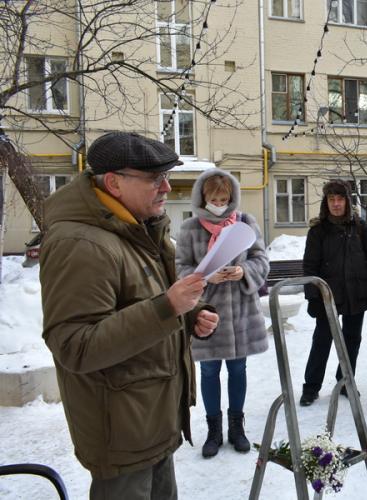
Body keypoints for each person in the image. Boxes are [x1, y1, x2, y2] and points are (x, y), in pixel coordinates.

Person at [40, 132, 219, 499]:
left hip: (151, 419)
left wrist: (189, 315)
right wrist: (168, 308)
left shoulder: (136, 229)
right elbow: (75, 346)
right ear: (113, 183)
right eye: (155, 179)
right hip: (122, 432)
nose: (167, 187)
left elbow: (140, 305)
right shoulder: (82, 244)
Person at [175, 168, 269, 458]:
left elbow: (261, 259)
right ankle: (214, 430)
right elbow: (180, 267)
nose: (219, 203)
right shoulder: (190, 228)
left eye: (224, 198)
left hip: (240, 311)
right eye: (214, 198)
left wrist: (244, 271)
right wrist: (205, 278)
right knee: (209, 369)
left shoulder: (245, 222)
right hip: (206, 313)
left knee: (238, 369)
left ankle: (236, 427)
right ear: (203, 197)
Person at [299, 179, 367, 406]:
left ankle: (346, 381)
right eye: (331, 199)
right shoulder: (318, 231)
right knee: (322, 340)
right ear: (326, 202)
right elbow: (310, 266)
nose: (336, 204)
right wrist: (312, 297)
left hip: (357, 292)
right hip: (328, 297)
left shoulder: (360, 226)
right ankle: (311, 387)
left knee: (352, 340)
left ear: (347, 201)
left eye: (340, 199)